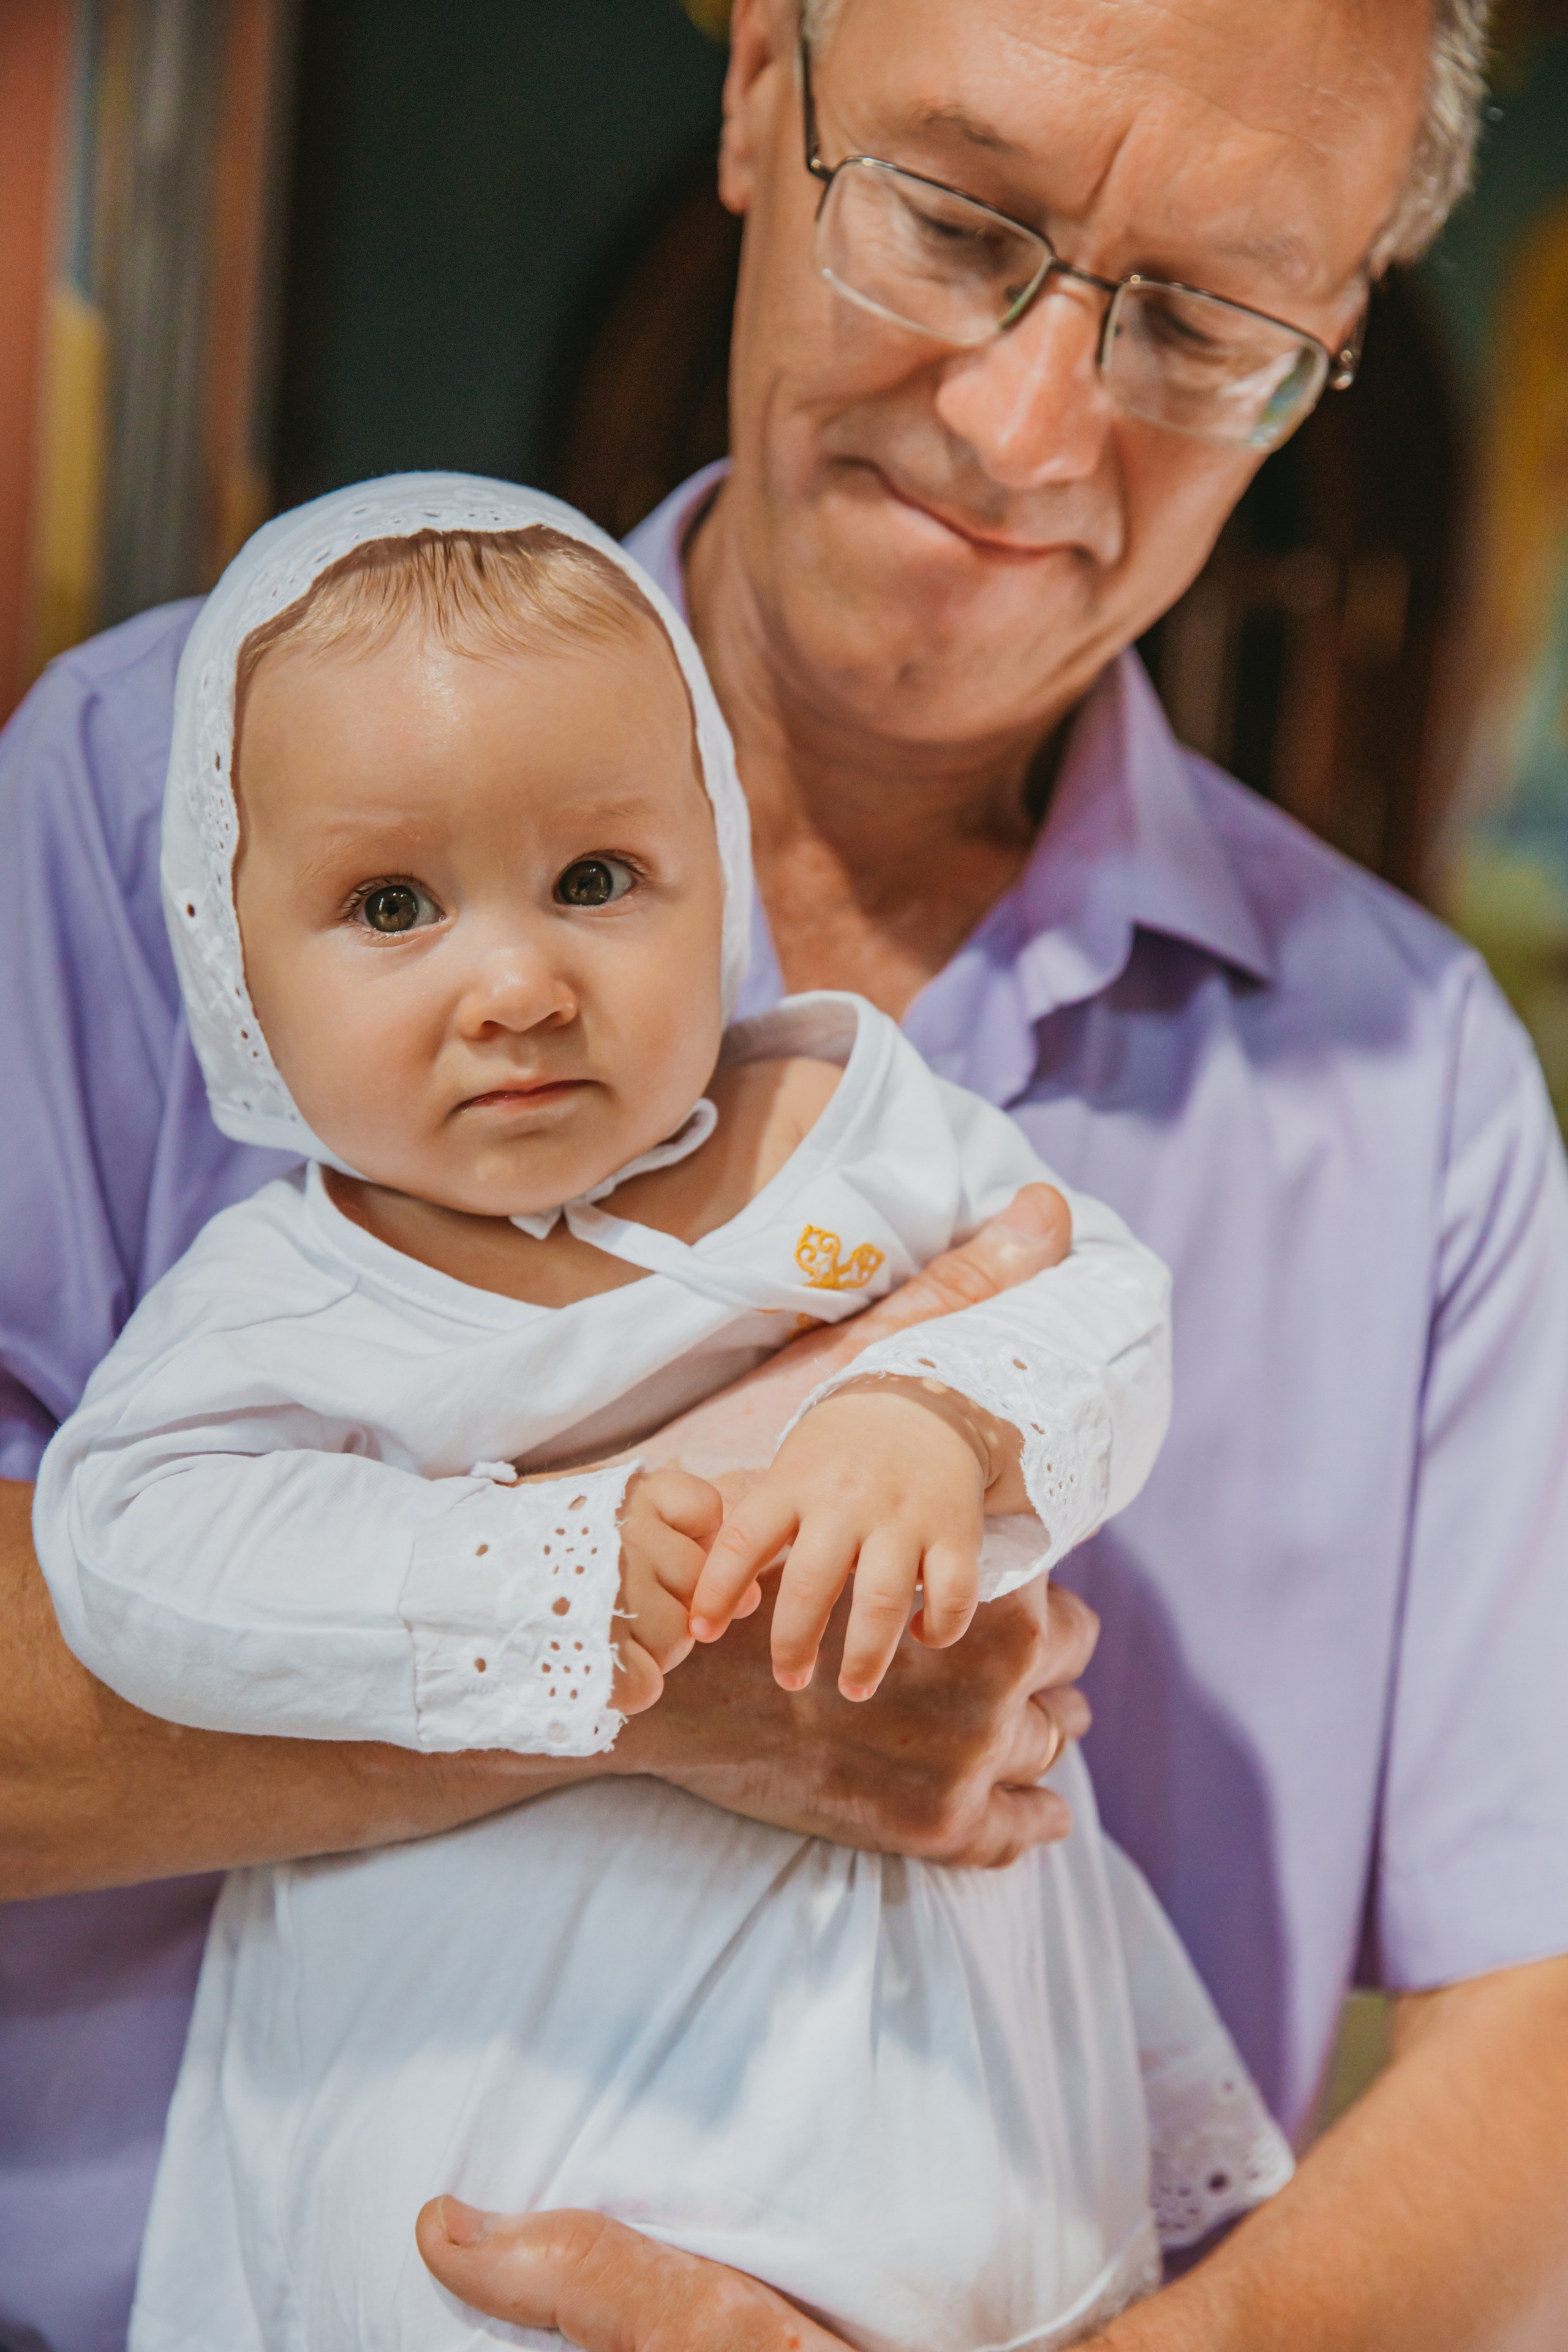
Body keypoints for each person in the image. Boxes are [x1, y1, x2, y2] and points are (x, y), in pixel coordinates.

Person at [1, 0, 1566, 2345]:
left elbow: (1534, 2053)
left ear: (1333, 341)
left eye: (1208, 317)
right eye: (955, 221)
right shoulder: (148, 810)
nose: (1026, 426)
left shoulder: (1416, 1096)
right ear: (759, 89)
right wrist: (680, 1675)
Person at [36, 475, 1286, 2350]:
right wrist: (546, 1575)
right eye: (392, 905)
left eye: (598, 881)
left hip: (944, 2127)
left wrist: (932, 1417)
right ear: (236, 970)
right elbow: (131, 1557)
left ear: (712, 874)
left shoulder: (835, 1128)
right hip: (485, 2132)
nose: (521, 983)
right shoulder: (284, 1307)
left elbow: (1099, 1294)